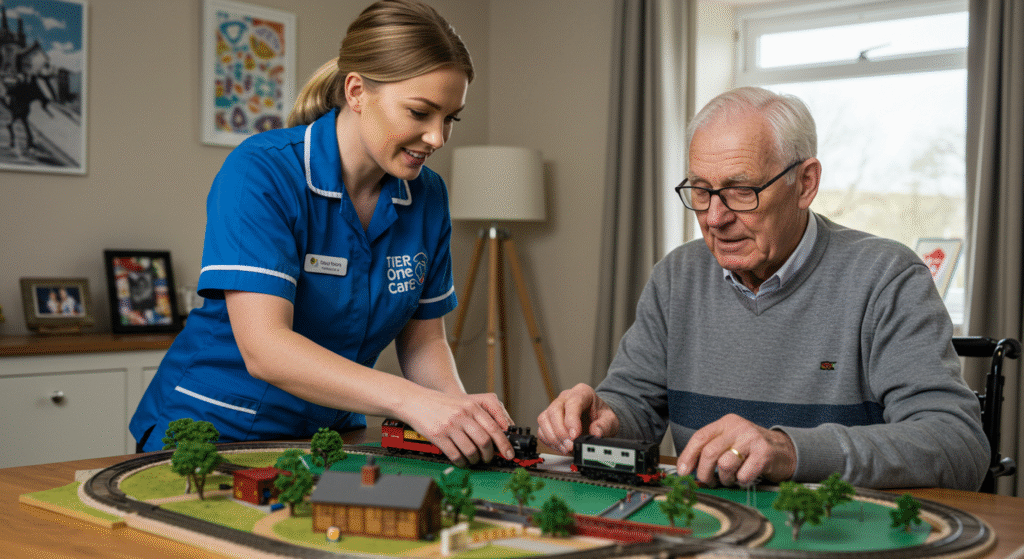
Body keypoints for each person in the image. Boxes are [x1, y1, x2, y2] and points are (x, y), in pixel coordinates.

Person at [537, 87, 989, 491]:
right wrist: (606, 416)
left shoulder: (886, 277)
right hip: (707, 531)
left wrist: (789, 452)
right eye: (700, 190)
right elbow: (635, 405)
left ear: (805, 183)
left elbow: (958, 444)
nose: (715, 218)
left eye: (741, 191)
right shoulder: (677, 277)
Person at [130, 0, 514, 466]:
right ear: (356, 91)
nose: (438, 137)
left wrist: (460, 419)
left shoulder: (427, 194)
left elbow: (424, 342)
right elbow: (266, 348)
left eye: (450, 118)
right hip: (215, 430)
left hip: (330, 436)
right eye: (419, 113)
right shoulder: (261, 172)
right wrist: (412, 401)